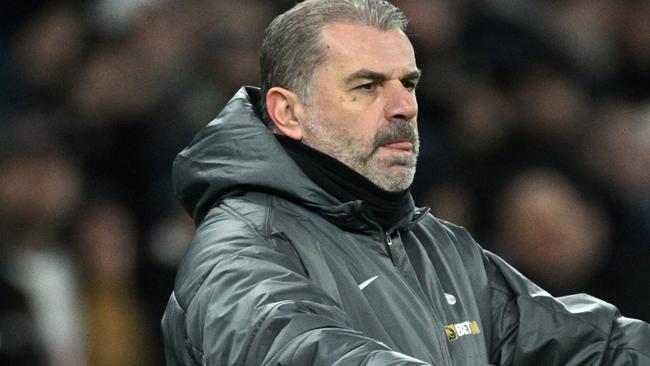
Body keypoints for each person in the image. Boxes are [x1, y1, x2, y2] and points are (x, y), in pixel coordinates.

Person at [161, 1, 650, 365]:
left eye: (408, 83)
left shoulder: (436, 246)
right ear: (288, 112)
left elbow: (589, 345)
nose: (404, 107)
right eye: (367, 86)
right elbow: (304, 352)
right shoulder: (240, 250)